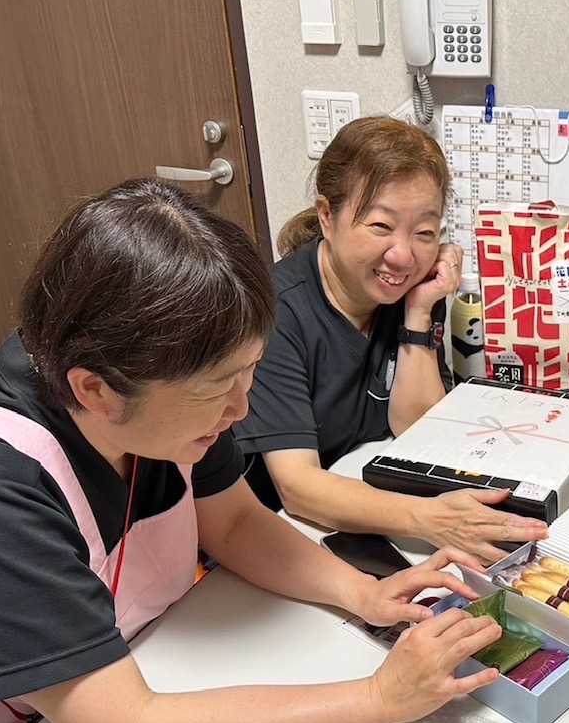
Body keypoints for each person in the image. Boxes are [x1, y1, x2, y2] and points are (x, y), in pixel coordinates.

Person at [0, 179, 504, 723]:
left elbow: (233, 523)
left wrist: (360, 593)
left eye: (248, 374)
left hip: (124, 674)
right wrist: (377, 701)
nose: (240, 410)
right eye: (220, 390)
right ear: (95, 390)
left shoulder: (162, 389)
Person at [234, 116, 546, 565]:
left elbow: (417, 429)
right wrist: (430, 519)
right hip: (277, 538)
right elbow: (297, 487)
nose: (402, 256)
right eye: (381, 226)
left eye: (424, 232)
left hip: (362, 513)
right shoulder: (276, 312)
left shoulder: (413, 290)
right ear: (327, 216)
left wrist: (419, 312)